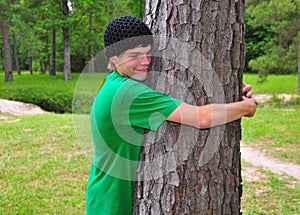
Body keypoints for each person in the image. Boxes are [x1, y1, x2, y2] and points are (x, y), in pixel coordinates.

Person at [86, 15, 257, 215]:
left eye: (148, 53)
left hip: (102, 196)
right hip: (111, 205)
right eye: (135, 55)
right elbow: (202, 118)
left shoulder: (114, 83)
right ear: (113, 58)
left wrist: (232, 93)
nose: (145, 62)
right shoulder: (129, 94)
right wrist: (246, 108)